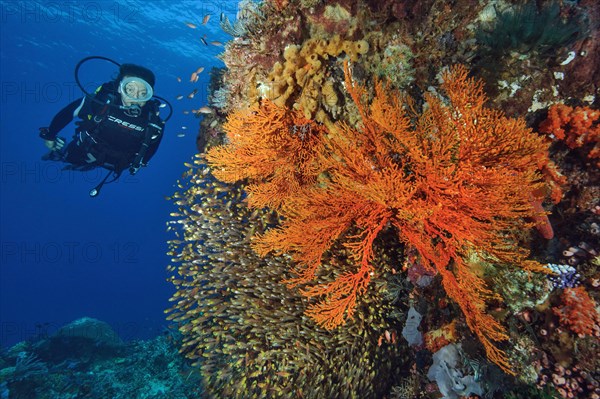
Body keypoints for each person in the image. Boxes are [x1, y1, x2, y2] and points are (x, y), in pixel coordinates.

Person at [40, 63, 165, 182]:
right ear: (120, 88)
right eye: (130, 89)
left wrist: (142, 162)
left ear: (149, 95)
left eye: (143, 93)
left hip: (118, 163)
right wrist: (50, 135)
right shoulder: (100, 102)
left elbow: (154, 143)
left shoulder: (152, 120)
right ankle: (60, 151)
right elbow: (69, 112)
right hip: (85, 151)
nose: (135, 97)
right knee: (69, 159)